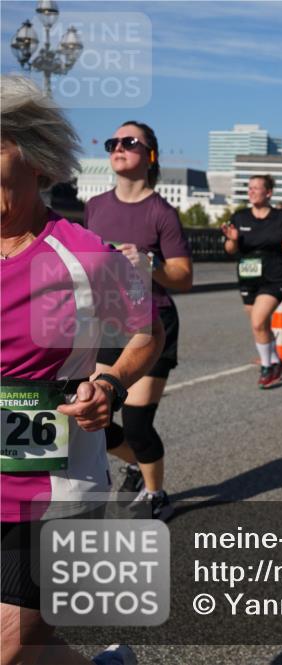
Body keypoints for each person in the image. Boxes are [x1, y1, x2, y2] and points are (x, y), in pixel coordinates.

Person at [1, 74, 164, 665]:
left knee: (11, 645)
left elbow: (148, 333)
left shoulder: (81, 257)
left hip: (49, 487)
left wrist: (112, 383)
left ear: (37, 162)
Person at [86, 120, 193, 521]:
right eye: (113, 141)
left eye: (129, 142)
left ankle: (157, 493)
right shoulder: (95, 207)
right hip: (105, 323)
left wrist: (149, 264)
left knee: (135, 422)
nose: (118, 146)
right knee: (91, 412)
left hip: (153, 323)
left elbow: (184, 277)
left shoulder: (161, 212)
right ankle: (136, 464)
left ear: (150, 156)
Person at [221, 174, 282, 389]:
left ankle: (267, 367)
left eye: (257, 188)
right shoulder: (239, 217)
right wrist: (232, 240)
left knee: (258, 321)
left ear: (268, 193)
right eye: (249, 188)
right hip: (248, 274)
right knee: (261, 324)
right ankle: (276, 360)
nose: (252, 191)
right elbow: (230, 250)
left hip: (275, 273)